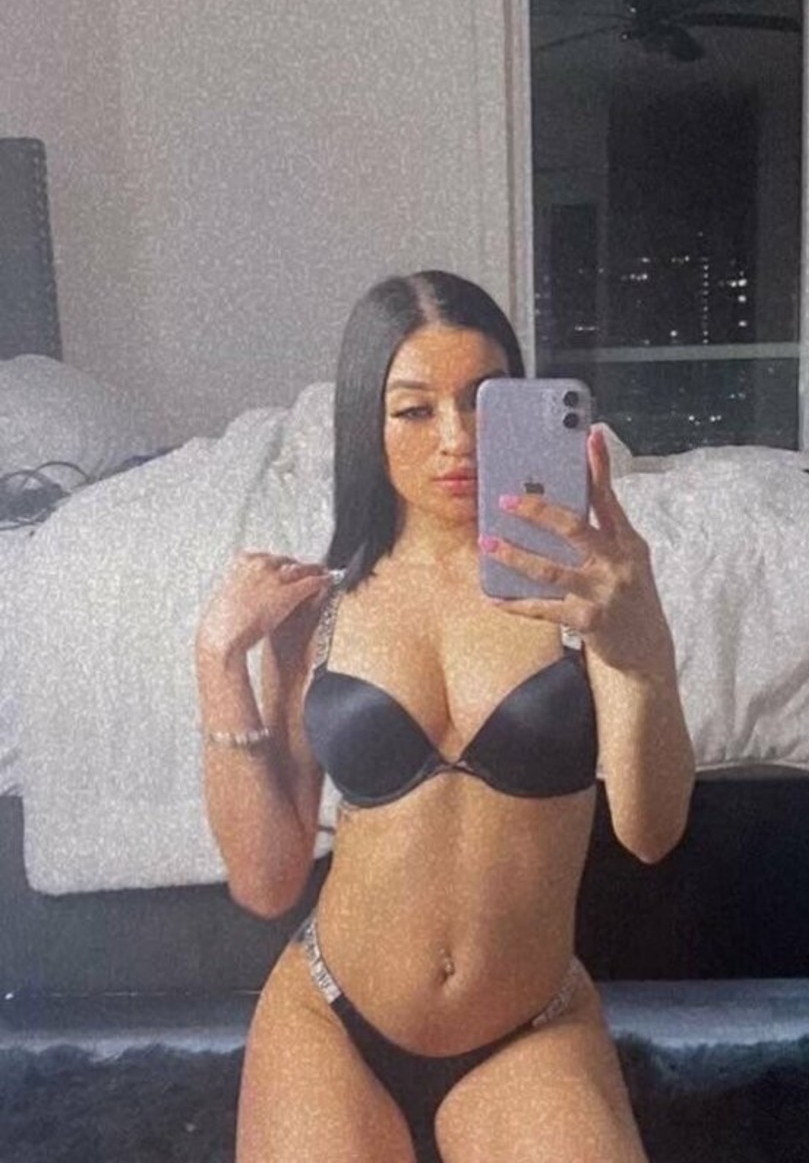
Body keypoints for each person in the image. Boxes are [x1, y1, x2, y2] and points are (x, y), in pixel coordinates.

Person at [195, 269, 696, 1163]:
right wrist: (217, 661)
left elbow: (651, 833)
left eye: (482, 402)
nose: (457, 439)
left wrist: (640, 644)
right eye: (415, 410)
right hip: (332, 1019)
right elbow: (267, 884)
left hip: (528, 1029)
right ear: (368, 424)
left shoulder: (584, 593)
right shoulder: (320, 612)